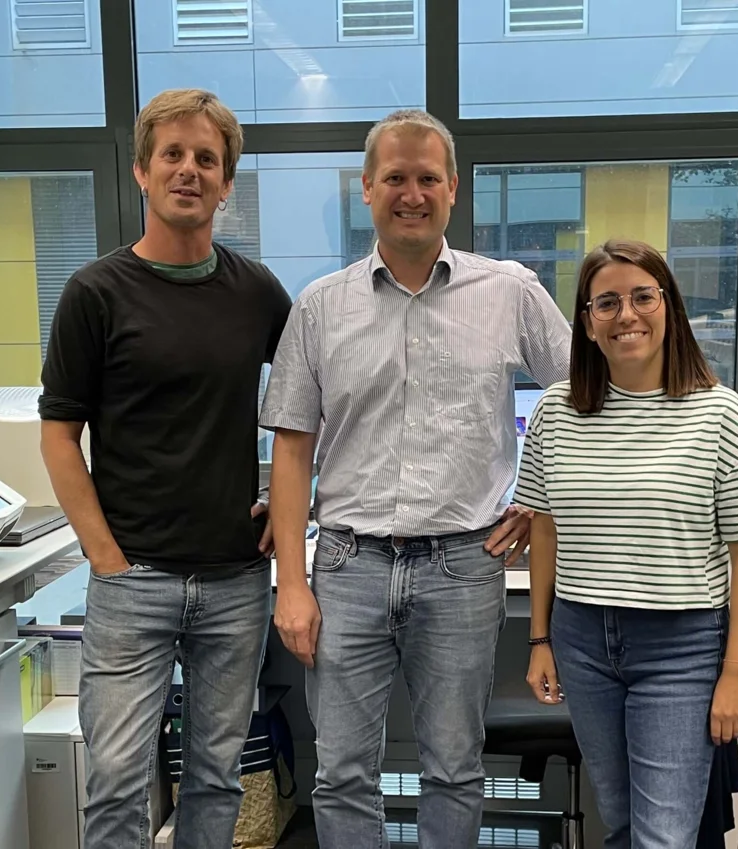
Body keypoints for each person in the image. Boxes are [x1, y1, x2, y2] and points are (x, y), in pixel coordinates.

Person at [261, 109, 571, 848]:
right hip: (347, 566)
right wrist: (293, 583)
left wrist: (537, 498)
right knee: (342, 772)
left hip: (463, 565)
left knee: (454, 769)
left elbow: (580, 401)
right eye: (395, 177)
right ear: (367, 189)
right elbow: (292, 450)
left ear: (452, 188)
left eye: (428, 178)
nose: (412, 193)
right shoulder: (320, 306)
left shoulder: (510, 291)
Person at [37, 88, 291, 849]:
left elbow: (312, 408)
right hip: (132, 581)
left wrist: (292, 510)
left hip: (234, 579)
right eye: (172, 154)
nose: (189, 170)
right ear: (142, 172)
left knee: (215, 777)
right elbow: (59, 437)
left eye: (206, 159)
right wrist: (104, 557)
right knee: (116, 779)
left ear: (226, 183)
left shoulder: (256, 292)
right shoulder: (95, 293)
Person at [515, 238, 738, 848]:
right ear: (587, 322)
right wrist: (540, 638)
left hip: (681, 647)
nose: (626, 315)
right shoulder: (556, 411)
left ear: (669, 307)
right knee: (622, 823)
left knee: (664, 836)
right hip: (582, 639)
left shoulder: (720, 413)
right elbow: (545, 527)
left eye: (643, 297)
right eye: (606, 303)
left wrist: (736, 672)